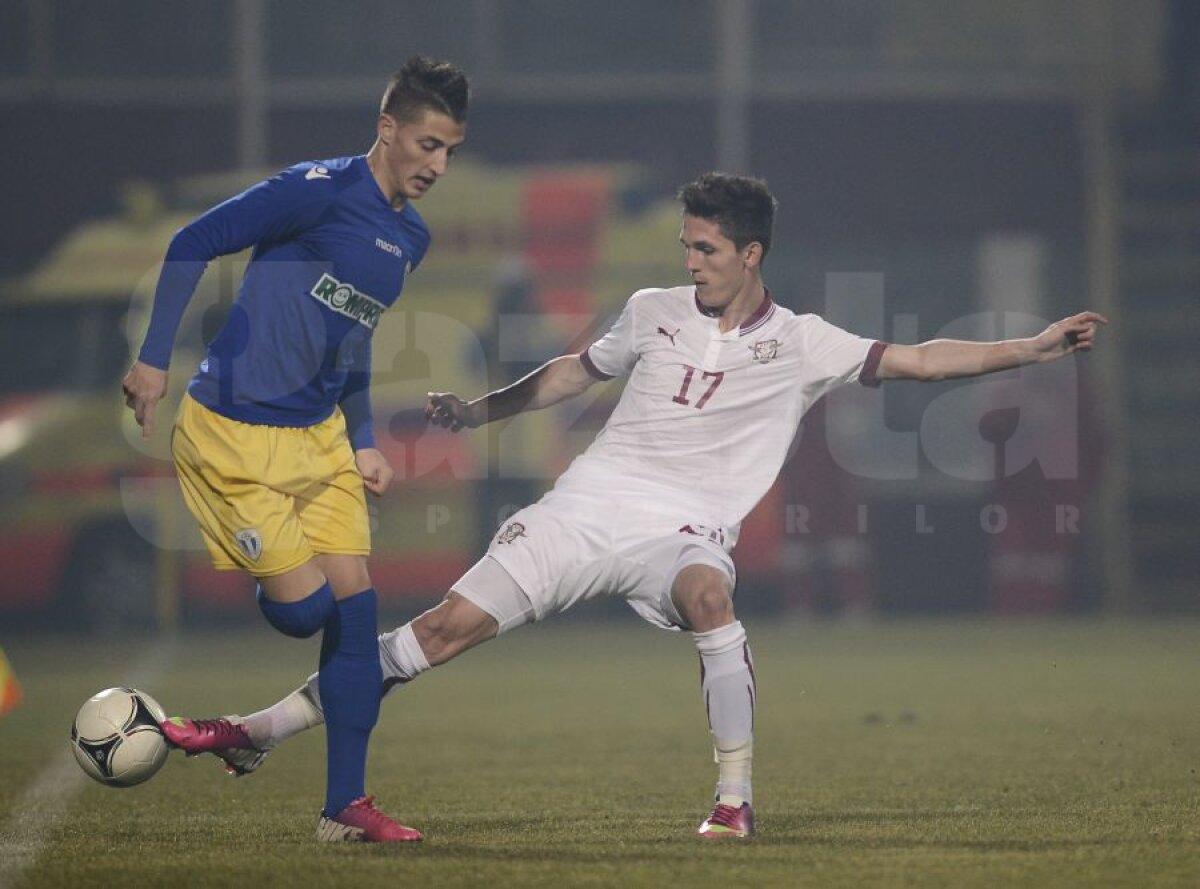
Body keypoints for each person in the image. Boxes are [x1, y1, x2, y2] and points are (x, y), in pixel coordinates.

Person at [160, 172, 1106, 839]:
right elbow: (574, 372)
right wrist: (480, 411)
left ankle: (732, 799)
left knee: (711, 599)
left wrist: (1031, 348)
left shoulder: (807, 342)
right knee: (438, 631)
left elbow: (921, 359)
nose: (689, 260)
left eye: (704, 247)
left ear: (750, 253)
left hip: (683, 533)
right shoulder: (653, 307)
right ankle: (256, 731)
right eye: (685, 246)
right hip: (586, 508)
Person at [120, 57, 469, 843]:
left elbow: (353, 339)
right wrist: (150, 359)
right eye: (426, 144)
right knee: (306, 609)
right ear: (386, 129)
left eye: (450, 150)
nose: (437, 164)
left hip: (318, 441)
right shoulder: (315, 189)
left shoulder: (409, 239)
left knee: (357, 608)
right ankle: (266, 690)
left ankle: (344, 806)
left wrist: (366, 439)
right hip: (231, 435)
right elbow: (192, 240)